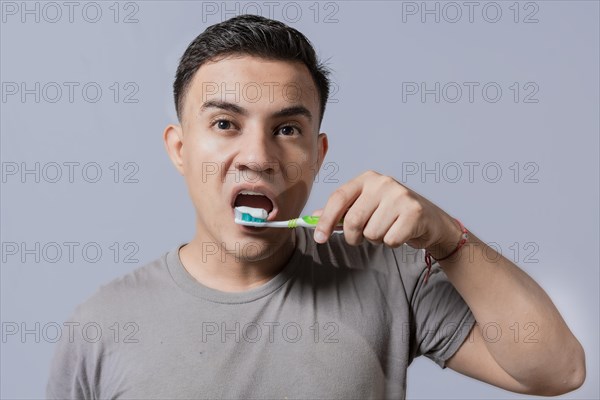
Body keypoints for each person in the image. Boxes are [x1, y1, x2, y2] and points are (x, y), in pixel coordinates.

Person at [46, 14, 585, 399]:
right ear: (180, 150)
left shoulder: (387, 275)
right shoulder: (101, 326)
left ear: (317, 154)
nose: (257, 156)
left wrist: (447, 238)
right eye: (225, 124)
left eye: (286, 129)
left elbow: (557, 370)